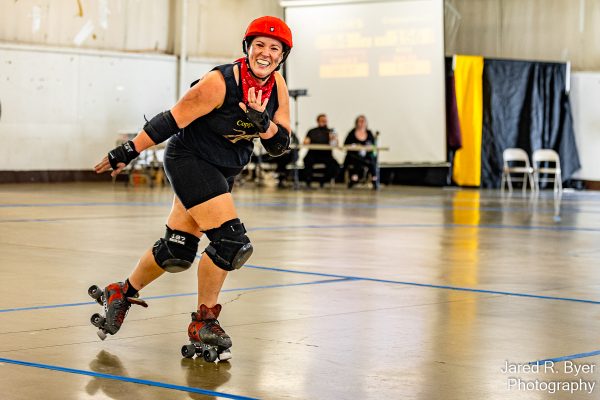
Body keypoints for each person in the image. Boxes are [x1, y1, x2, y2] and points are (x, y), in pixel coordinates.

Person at [93, 16, 293, 360]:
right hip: (190, 160)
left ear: (282, 56)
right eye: (259, 44)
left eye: (274, 48)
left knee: (177, 250)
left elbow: (281, 144)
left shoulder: (278, 87)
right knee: (231, 243)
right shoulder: (219, 82)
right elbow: (171, 120)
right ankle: (204, 322)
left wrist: (264, 124)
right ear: (247, 48)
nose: (266, 53)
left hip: (224, 169)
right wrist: (127, 151)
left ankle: (120, 293)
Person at [302, 114, 340, 188]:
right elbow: (305, 142)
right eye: (322, 120)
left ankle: (324, 180)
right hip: (313, 154)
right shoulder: (312, 131)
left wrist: (333, 139)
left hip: (326, 155)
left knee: (335, 166)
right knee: (307, 161)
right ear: (318, 121)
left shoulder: (331, 131)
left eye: (325, 120)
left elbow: (335, 144)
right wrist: (306, 141)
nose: (323, 121)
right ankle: (308, 181)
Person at [343, 115, 378, 189]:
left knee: (372, 159)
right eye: (360, 121)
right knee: (358, 158)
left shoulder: (369, 133)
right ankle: (354, 178)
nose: (362, 123)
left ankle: (374, 179)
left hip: (366, 156)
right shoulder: (352, 133)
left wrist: (369, 147)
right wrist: (354, 146)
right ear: (356, 123)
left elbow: (373, 146)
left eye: (363, 121)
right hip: (354, 156)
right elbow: (345, 145)